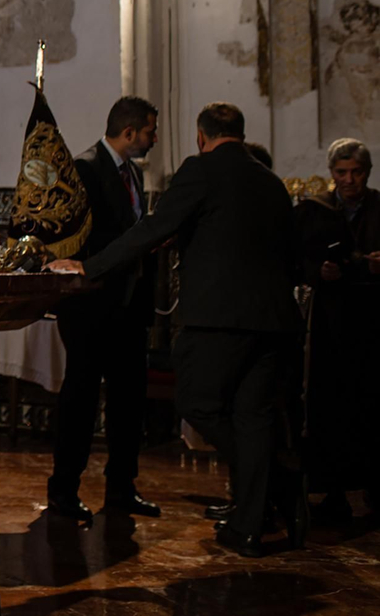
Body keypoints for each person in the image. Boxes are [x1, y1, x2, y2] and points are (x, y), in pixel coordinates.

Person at [51, 103, 305, 557]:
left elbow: (152, 228)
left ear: (201, 137)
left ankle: (276, 480)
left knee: (198, 405)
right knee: (252, 417)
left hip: (219, 318)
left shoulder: (200, 169)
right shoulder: (270, 180)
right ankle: (249, 525)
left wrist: (90, 267)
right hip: (276, 319)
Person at [47, 96, 162, 520]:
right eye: (150, 131)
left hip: (129, 308)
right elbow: (77, 239)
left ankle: (121, 489)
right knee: (79, 400)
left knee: (128, 403)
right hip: (91, 309)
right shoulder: (85, 168)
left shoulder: (132, 172)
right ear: (129, 132)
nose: (154, 139)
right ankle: (63, 489)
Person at [295, 137, 380, 522]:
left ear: (367, 173)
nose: (349, 180)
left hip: (373, 319)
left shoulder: (379, 206)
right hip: (331, 320)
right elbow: (299, 257)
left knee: (370, 404)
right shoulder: (317, 209)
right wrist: (319, 271)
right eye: (342, 172)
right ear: (331, 174)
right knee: (329, 404)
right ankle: (332, 491)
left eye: (356, 172)